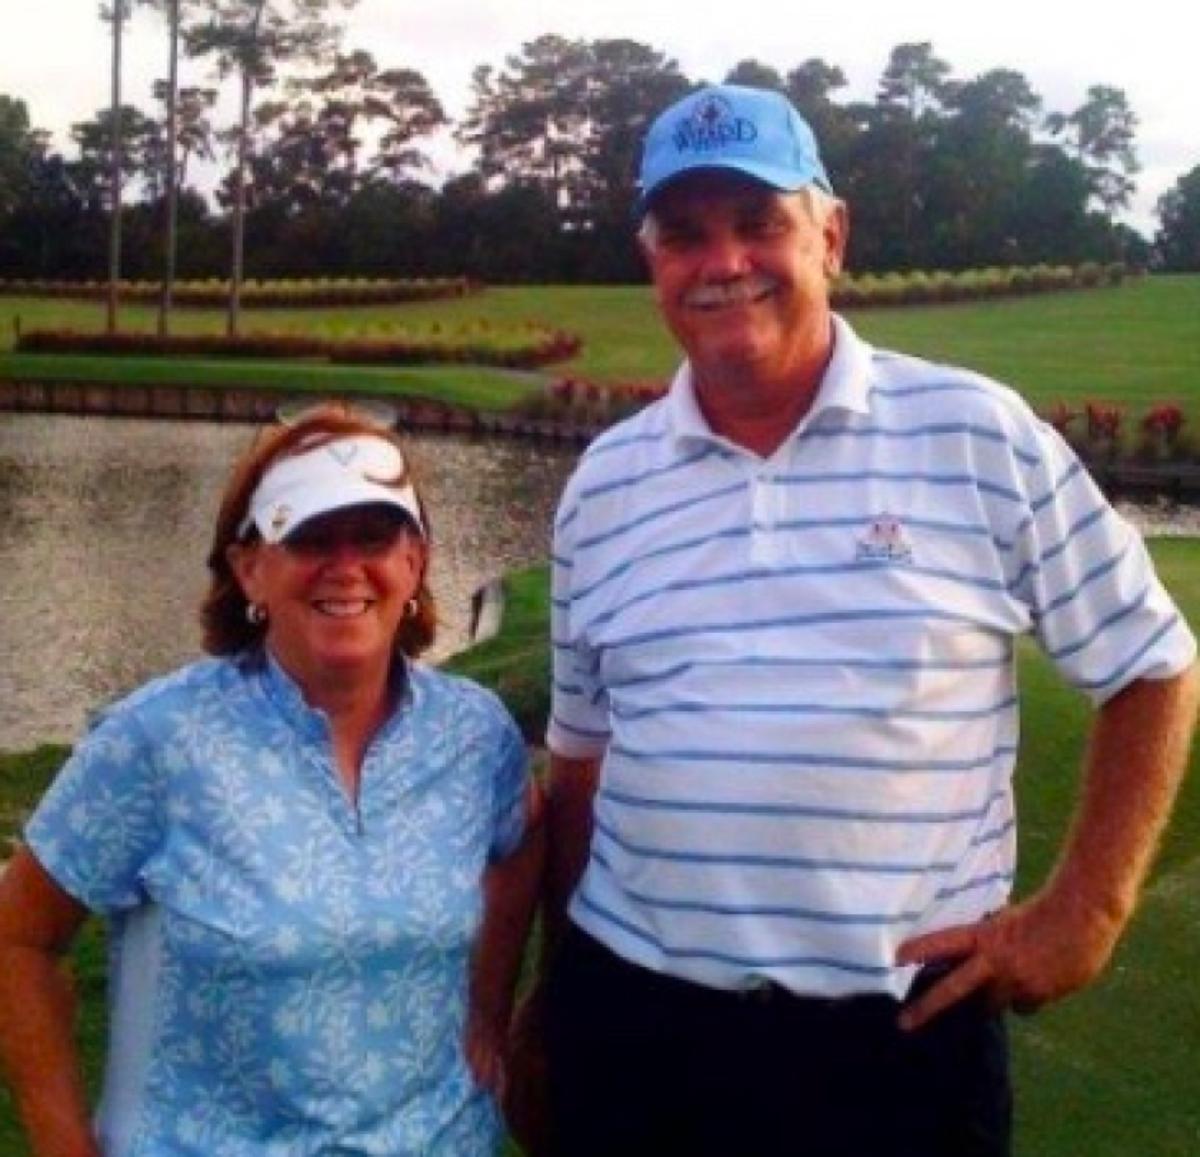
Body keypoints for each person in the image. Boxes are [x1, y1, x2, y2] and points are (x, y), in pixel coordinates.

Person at [520, 84, 1199, 1157]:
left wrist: (1090, 909)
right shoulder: (606, 481)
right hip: (637, 1026)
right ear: (652, 261)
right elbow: (583, 766)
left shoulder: (973, 431)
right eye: (685, 234)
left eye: (760, 224)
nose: (723, 260)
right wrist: (556, 997)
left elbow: (1152, 663)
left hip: (894, 1048)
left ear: (830, 234)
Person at [0, 404, 543, 1155]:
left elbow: (522, 841)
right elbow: (18, 939)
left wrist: (486, 1005)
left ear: (414, 562)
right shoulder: (160, 740)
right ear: (250, 568)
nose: (345, 564)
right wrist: (63, 1144)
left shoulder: (474, 735)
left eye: (374, 536)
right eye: (311, 537)